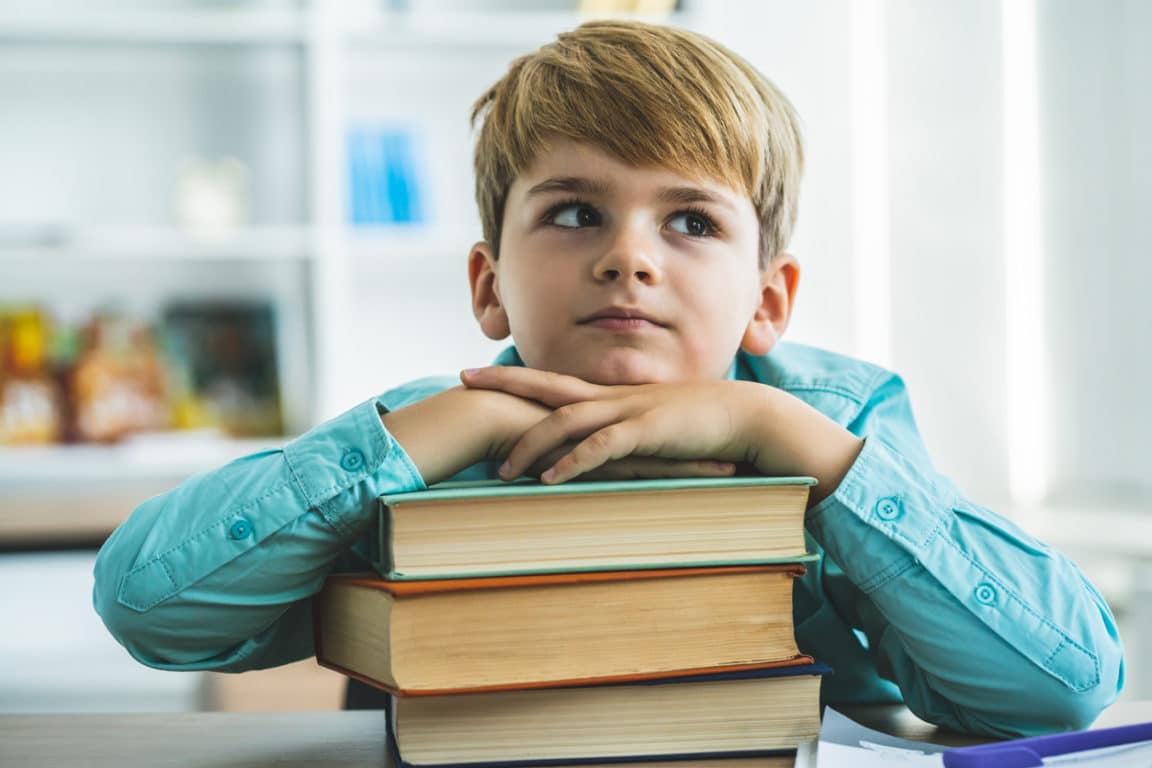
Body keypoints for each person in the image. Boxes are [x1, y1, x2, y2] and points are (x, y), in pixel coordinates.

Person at [93, 20, 1123, 736]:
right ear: (489, 287)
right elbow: (150, 609)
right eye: (576, 212)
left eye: (691, 222)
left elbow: (1065, 687)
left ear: (769, 300)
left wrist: (793, 444)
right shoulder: (419, 442)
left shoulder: (835, 426)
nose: (630, 257)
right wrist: (415, 442)